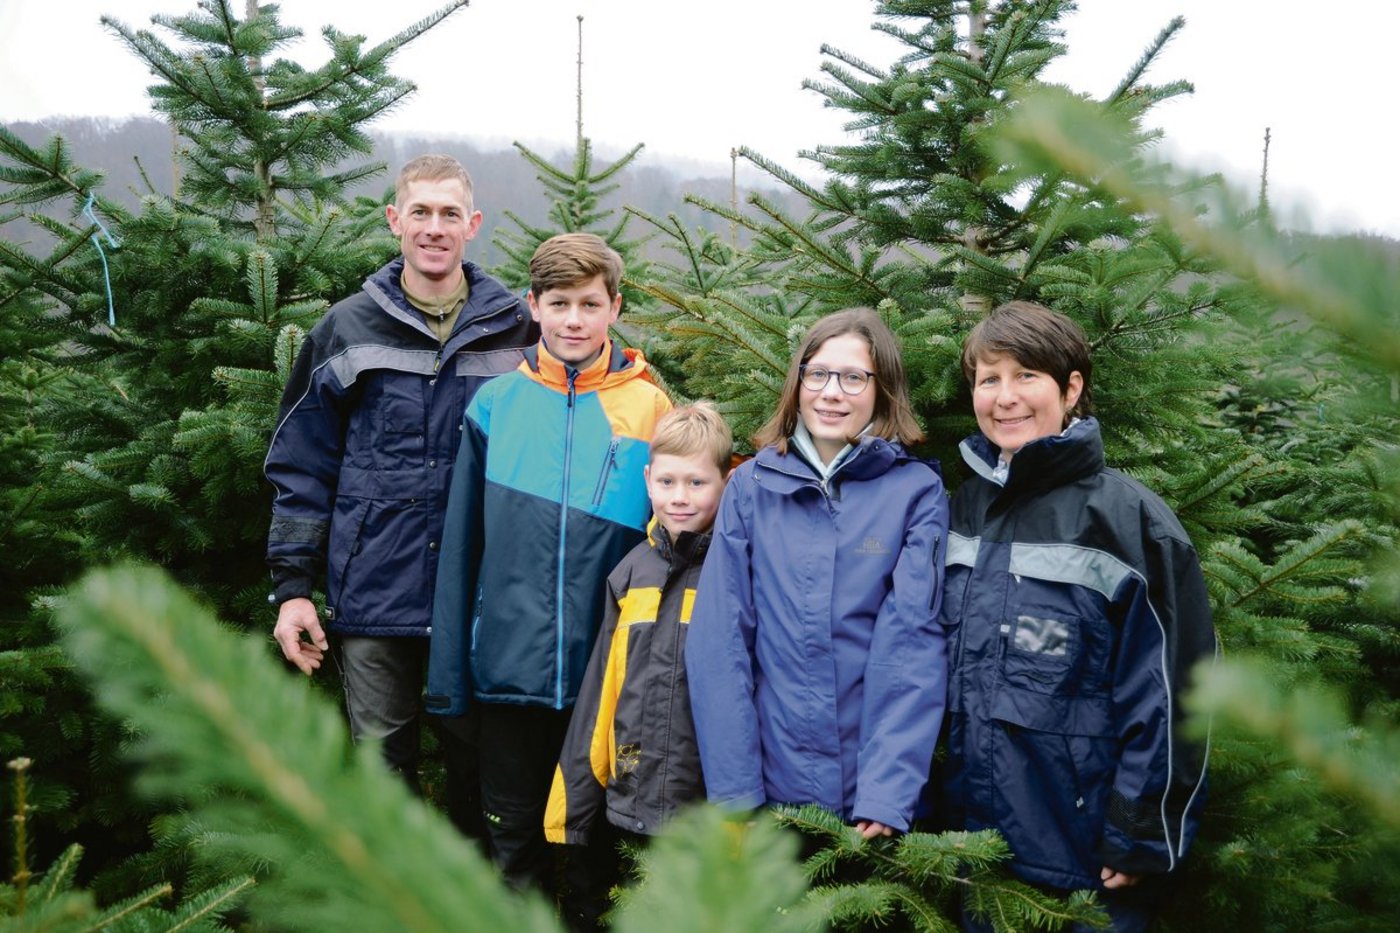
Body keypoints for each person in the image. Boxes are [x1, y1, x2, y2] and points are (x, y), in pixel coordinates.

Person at [264, 154, 536, 836]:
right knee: (381, 781)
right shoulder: (346, 328)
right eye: (421, 212)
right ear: (395, 221)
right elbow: (301, 466)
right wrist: (293, 588)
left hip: (479, 599)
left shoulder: (518, 332)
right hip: (373, 594)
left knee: (481, 780)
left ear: (472, 225)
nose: (435, 227)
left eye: (450, 214)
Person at [937, 300, 1217, 932]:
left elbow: (1178, 693)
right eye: (989, 379)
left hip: (1081, 855)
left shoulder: (1129, 522)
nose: (1005, 397)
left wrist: (1142, 833)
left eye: (1026, 376)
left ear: (1071, 388)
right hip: (961, 847)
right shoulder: (958, 509)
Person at [426, 233, 672, 901]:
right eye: (558, 302)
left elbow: (678, 548)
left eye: (589, 304)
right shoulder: (495, 406)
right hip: (506, 675)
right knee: (514, 848)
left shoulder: (650, 408)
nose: (573, 319)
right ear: (532, 305)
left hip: (605, 679)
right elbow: (459, 551)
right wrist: (449, 681)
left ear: (615, 307)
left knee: (595, 853)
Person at [685, 307, 949, 838]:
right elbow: (721, 643)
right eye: (818, 373)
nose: (832, 392)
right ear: (798, 382)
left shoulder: (915, 493)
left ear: (883, 389)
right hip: (772, 795)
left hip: (869, 800)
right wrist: (737, 796)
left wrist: (887, 793)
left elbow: (911, 650)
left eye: (853, 377)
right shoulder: (752, 487)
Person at [544, 402, 734, 848]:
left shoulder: (736, 572)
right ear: (648, 480)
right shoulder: (630, 574)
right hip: (633, 800)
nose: (680, 497)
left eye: (697, 482)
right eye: (667, 482)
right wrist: (571, 811)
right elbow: (600, 693)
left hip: (710, 808)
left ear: (725, 483)